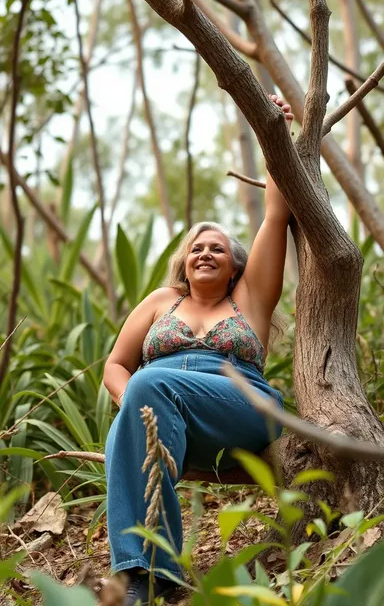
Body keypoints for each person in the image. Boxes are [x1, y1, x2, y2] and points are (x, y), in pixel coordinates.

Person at [103, 95, 294, 605]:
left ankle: (154, 569)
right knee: (139, 398)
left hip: (241, 406)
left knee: (148, 383)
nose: (204, 251)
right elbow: (116, 365)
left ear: (235, 266)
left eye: (217, 247)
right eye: (195, 247)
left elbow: (277, 213)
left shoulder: (248, 299)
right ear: (183, 265)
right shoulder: (161, 302)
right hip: (165, 416)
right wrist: (138, 412)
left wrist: (272, 132)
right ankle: (143, 576)